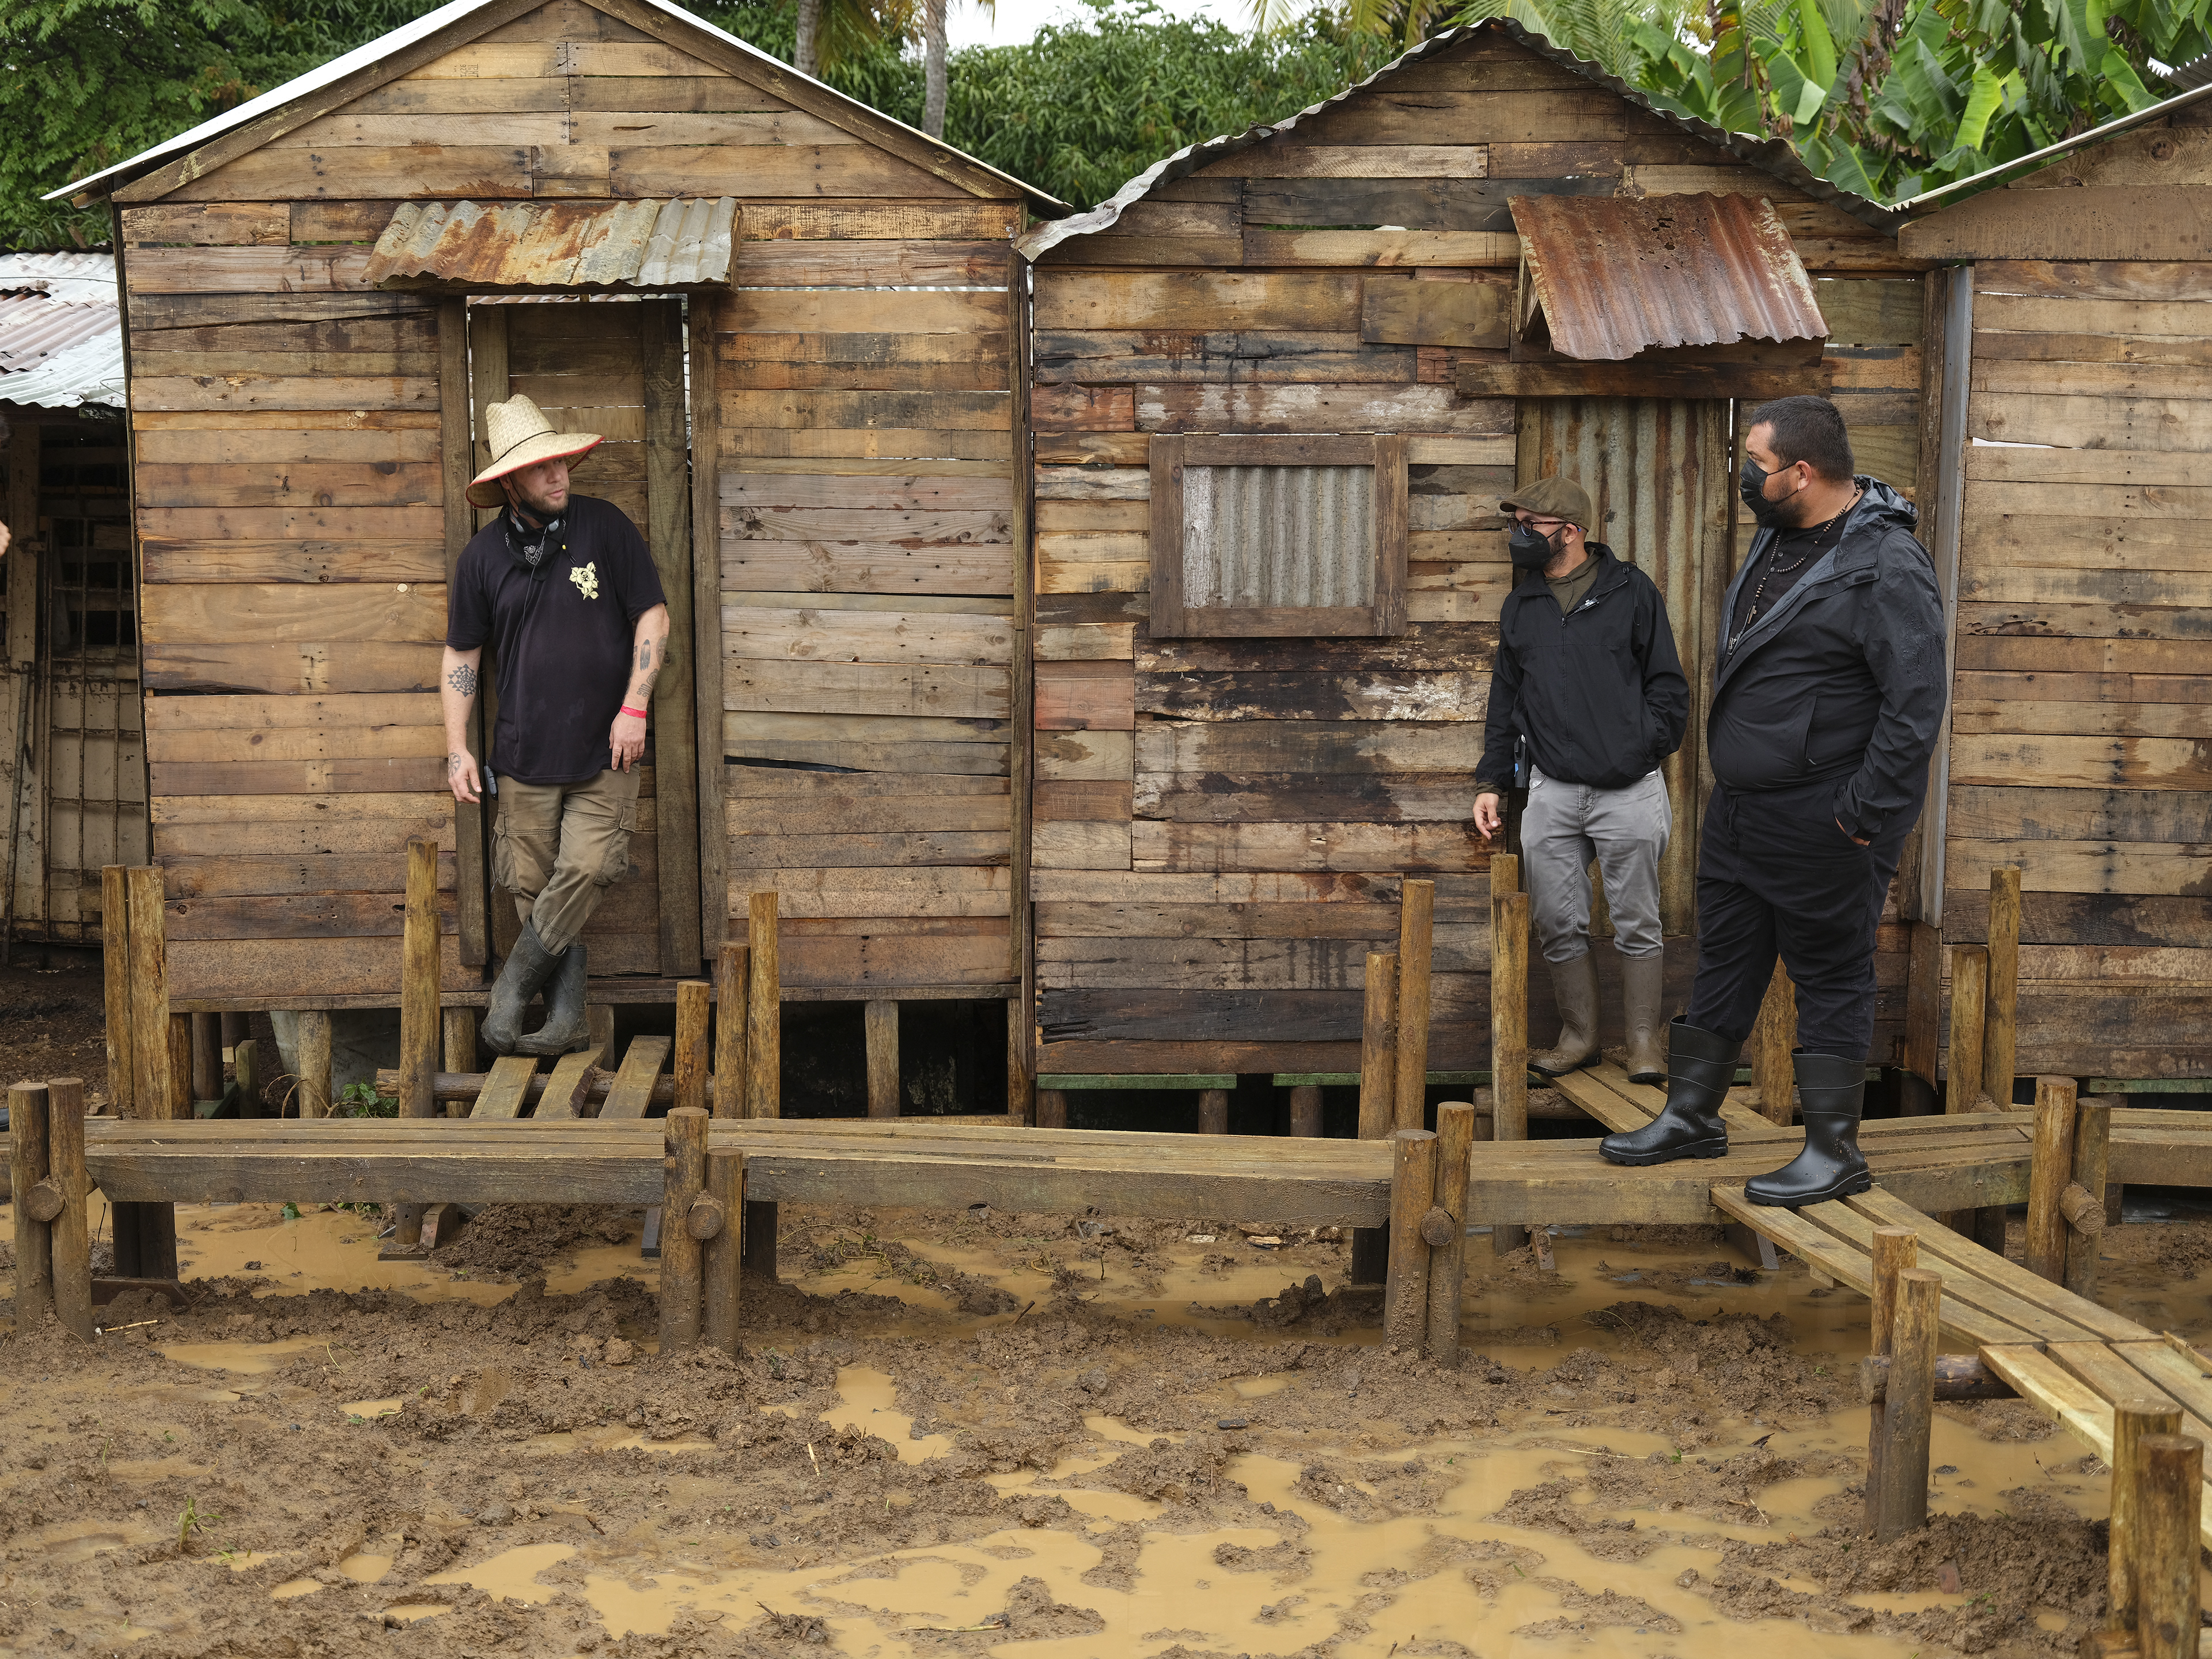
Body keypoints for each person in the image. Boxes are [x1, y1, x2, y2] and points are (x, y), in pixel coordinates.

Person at [1598, 395, 1945, 1208]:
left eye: (1754, 465)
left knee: (1829, 973)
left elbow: (1917, 701)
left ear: (1802, 472)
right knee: (1724, 959)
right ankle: (1691, 1114)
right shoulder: (1778, 537)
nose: (1743, 479)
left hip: (1825, 817)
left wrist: (1863, 813)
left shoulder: (1885, 564)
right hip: (1743, 814)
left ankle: (1834, 1150)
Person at [442, 395, 671, 1055]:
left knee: (590, 868)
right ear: (509, 482)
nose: (559, 476)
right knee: (529, 886)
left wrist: (636, 707)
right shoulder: (481, 560)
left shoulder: (606, 528)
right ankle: (567, 1019)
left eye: (562, 463)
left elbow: (652, 617)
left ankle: (511, 993)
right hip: (520, 755)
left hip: (608, 751)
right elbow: (462, 655)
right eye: (542, 469)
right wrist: (457, 749)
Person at [1474, 476, 1690, 1085]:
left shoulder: (1632, 592)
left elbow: (1669, 688)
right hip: (1554, 790)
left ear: (1570, 531)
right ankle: (1579, 1038)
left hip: (1629, 788)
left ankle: (1645, 1043)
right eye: (1515, 523)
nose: (1518, 536)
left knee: (1637, 918)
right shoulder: (1522, 606)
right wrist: (1492, 781)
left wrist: (1638, 746)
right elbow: (1505, 699)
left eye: (1529, 525)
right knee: (1555, 917)